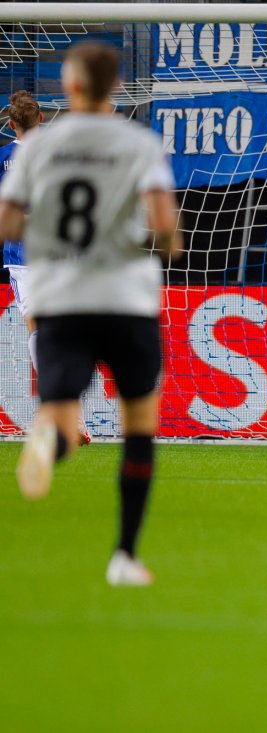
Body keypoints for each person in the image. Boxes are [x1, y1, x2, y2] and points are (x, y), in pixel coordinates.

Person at [0, 41, 183, 585]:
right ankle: (125, 555)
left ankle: (54, 436)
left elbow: (8, 224)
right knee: (139, 429)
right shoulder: (139, 143)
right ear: (117, 87)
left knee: (59, 404)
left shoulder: (36, 150)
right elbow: (165, 230)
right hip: (125, 298)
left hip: (62, 297)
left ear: (71, 87)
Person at [2, 91, 92, 446]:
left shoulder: (4, 156)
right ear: (42, 118)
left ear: (11, 124)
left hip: (23, 257)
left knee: (38, 333)